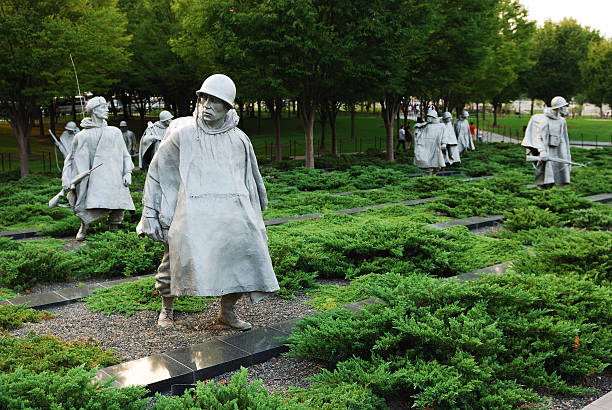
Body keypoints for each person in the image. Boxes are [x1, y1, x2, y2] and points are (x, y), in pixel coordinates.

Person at [136, 74, 279, 329]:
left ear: (228, 107)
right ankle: (167, 308)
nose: (207, 106)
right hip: (190, 212)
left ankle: (227, 311)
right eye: (204, 99)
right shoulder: (184, 134)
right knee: (174, 260)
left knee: (239, 259)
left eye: (215, 101)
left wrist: (253, 218)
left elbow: (249, 180)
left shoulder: (239, 140)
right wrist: (151, 213)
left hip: (231, 214)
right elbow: (159, 172)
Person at [61, 97, 135, 241]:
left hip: (113, 176)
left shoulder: (114, 132)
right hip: (92, 179)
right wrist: (66, 178)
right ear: (93, 111)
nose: (107, 110)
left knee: (118, 202)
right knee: (85, 202)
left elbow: (125, 155)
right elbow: (70, 159)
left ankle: (113, 229)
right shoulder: (81, 136)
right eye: (103, 107)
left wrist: (128, 172)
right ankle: (84, 225)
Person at [521, 96, 572, 190]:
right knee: (546, 172)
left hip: (560, 148)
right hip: (547, 148)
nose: (565, 108)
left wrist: (567, 155)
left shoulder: (562, 121)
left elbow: (565, 137)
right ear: (558, 107)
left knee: (560, 171)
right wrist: (542, 151)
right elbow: (539, 138)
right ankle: (543, 190)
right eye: (563, 106)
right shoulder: (545, 121)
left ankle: (557, 191)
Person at [413, 109, 446, 175]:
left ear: (433, 117)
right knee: (427, 163)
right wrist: (417, 130)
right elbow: (419, 133)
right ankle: (429, 176)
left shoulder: (441, 126)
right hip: (426, 146)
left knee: (436, 164)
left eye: (429, 117)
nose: (427, 118)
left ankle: (432, 176)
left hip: (435, 145)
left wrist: (444, 143)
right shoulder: (426, 125)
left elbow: (445, 135)